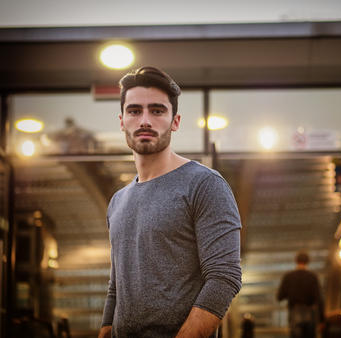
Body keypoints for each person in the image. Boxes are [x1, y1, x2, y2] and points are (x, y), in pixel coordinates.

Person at [98, 66, 242, 338]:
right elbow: (116, 289)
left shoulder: (205, 185)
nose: (145, 121)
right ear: (121, 121)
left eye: (157, 110)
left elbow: (224, 278)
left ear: (175, 121)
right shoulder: (117, 202)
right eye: (134, 111)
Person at [277, 251, 324, 338]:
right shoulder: (312, 277)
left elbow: (280, 297)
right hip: (309, 312)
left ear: (296, 261)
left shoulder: (288, 277)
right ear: (308, 261)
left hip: (295, 312)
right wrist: (322, 320)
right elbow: (318, 299)